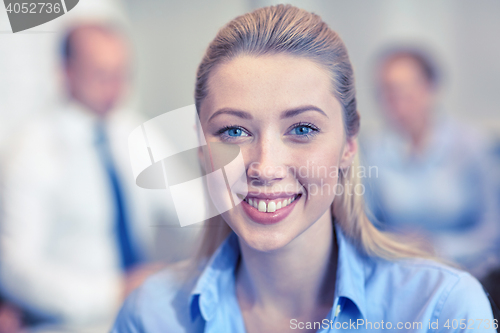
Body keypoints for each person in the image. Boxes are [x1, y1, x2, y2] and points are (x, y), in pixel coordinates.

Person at [112, 5, 494, 333]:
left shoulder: (441, 309)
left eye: (302, 129)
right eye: (233, 131)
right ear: (200, 146)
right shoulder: (151, 316)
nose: (265, 167)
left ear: (348, 144)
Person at [0, 23, 176, 330]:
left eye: (122, 74)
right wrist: (113, 291)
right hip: (69, 322)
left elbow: (188, 203)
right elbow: (15, 269)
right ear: (66, 72)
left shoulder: (132, 130)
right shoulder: (30, 151)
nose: (115, 88)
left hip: (139, 314)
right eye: (101, 75)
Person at [362, 46, 500, 278]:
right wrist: (397, 245)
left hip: (469, 272)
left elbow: (492, 232)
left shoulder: (474, 145)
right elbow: (365, 225)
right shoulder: (371, 150)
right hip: (399, 269)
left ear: (431, 88)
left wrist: (435, 245)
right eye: (387, 92)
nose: (397, 103)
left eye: (406, 90)